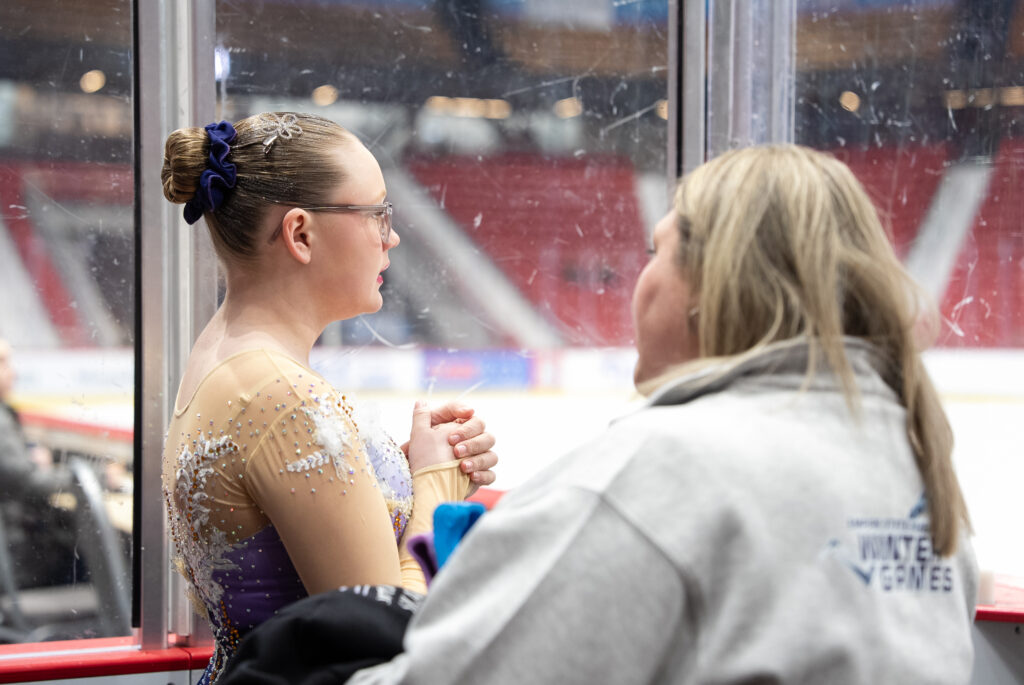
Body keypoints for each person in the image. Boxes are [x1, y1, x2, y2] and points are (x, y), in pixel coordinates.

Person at [325, 144, 974, 683]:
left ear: (710, 285)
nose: (642, 282)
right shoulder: (914, 460)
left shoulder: (664, 470)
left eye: (655, 252)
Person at [159, 113, 498, 684]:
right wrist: (438, 488)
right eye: (376, 214)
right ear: (301, 234)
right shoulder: (282, 398)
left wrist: (406, 465)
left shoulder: (228, 358)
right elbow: (382, 645)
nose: (391, 236)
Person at [0, 339, 79, 592]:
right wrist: (95, 478)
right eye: (2, 363)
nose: (13, 372)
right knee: (106, 555)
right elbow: (28, 483)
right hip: (19, 563)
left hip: (13, 555)